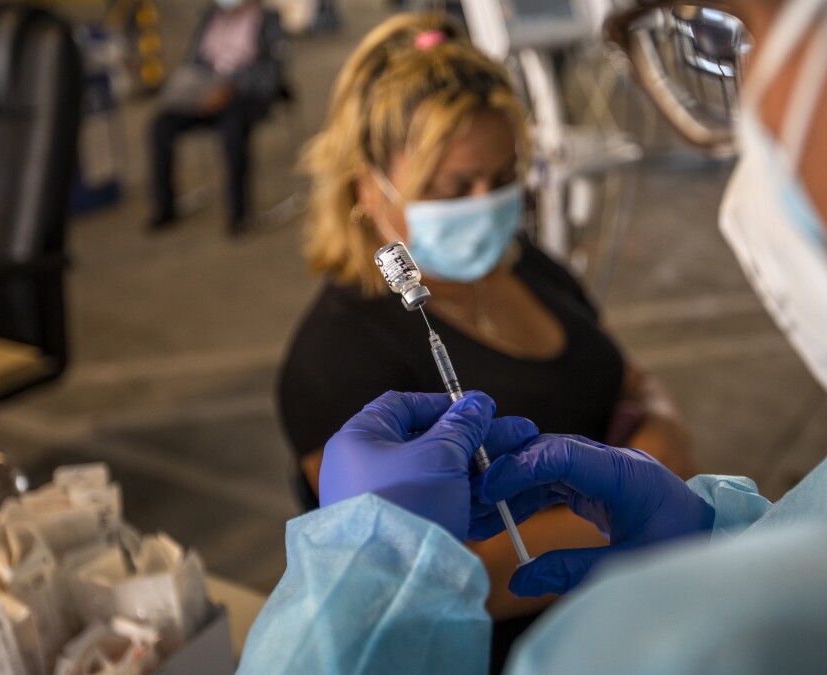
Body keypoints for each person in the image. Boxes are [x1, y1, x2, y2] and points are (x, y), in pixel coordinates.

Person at [241, 0, 827, 672]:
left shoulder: (678, 648)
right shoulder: (337, 359)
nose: (755, 131)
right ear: (371, 191)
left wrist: (365, 588)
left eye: (747, 35)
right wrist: (720, 532)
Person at [276, 12, 694, 657]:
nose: (486, 202)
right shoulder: (334, 361)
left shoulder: (525, 264)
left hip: (636, 608)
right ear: (368, 186)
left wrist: (661, 438)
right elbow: (434, 579)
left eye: (502, 180)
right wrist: (634, 501)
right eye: (452, 187)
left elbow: (632, 380)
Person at [147, 0, 284, 237]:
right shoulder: (210, 17)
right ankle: (165, 207)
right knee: (161, 124)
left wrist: (232, 87)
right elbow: (193, 61)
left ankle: (239, 215)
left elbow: (271, 73)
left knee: (233, 130)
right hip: (205, 94)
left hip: (244, 96)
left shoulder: (267, 19)